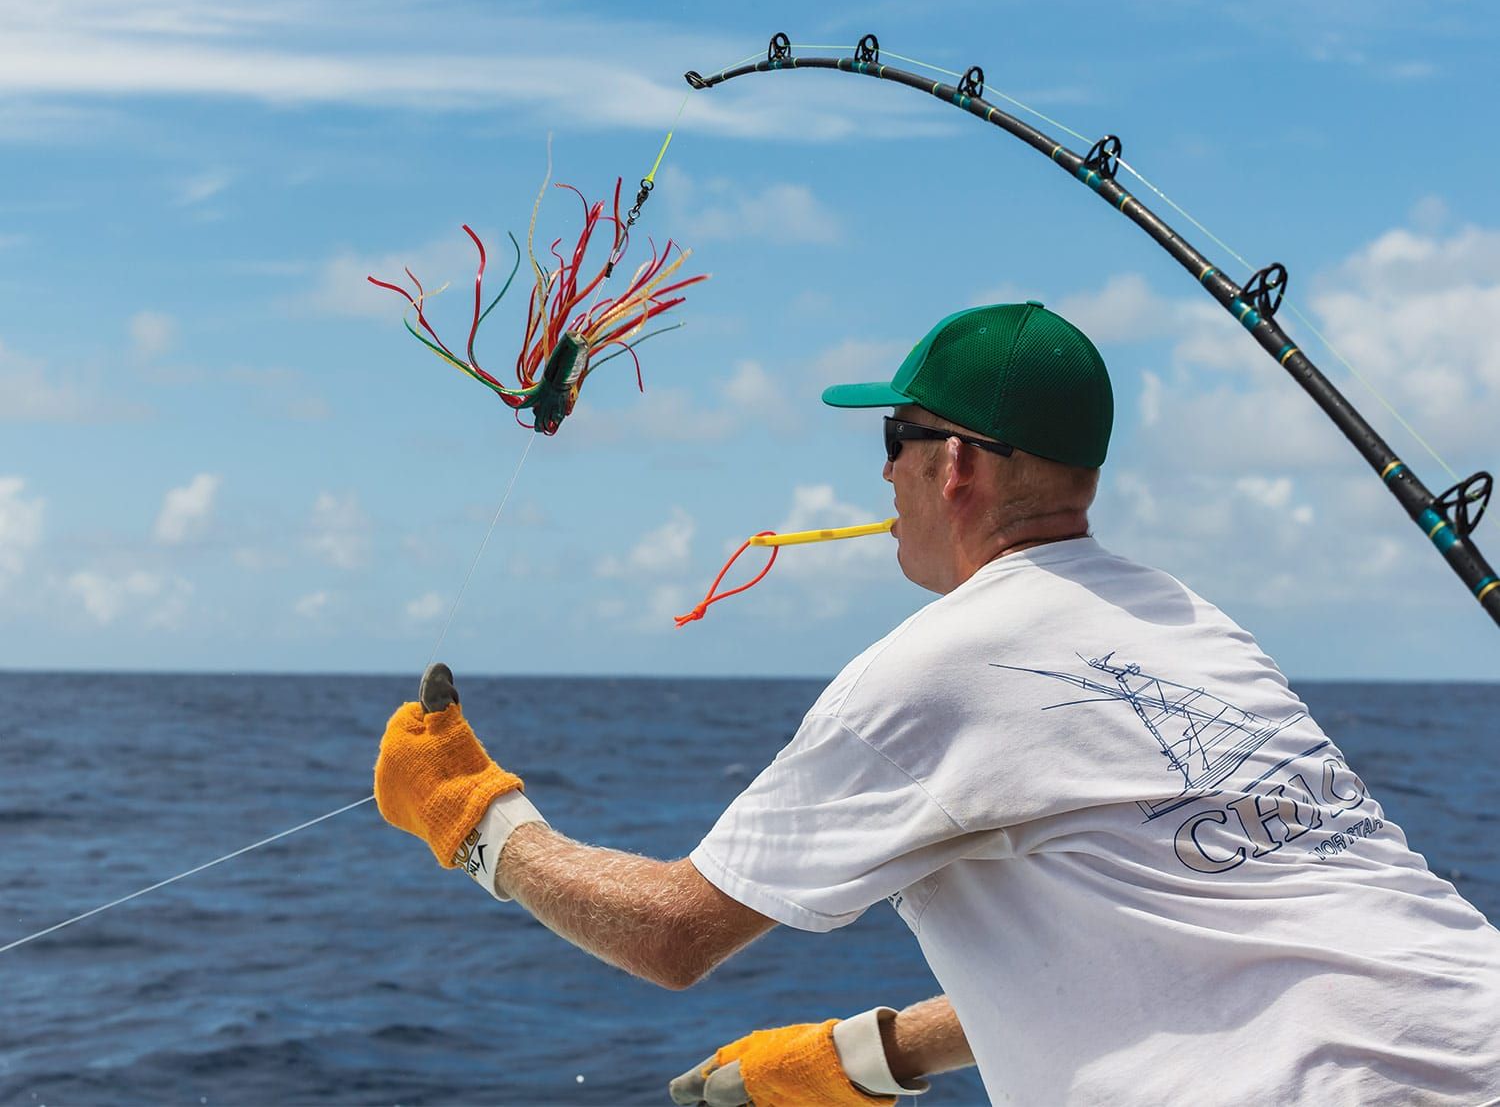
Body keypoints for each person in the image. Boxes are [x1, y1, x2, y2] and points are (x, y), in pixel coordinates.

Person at [375, 302, 1500, 1106]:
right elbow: (1202, 938)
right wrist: (872, 1056)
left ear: (953, 465)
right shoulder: (1193, 624)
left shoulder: (935, 668)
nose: (884, 474)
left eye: (894, 440)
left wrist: (474, 819)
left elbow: (672, 932)